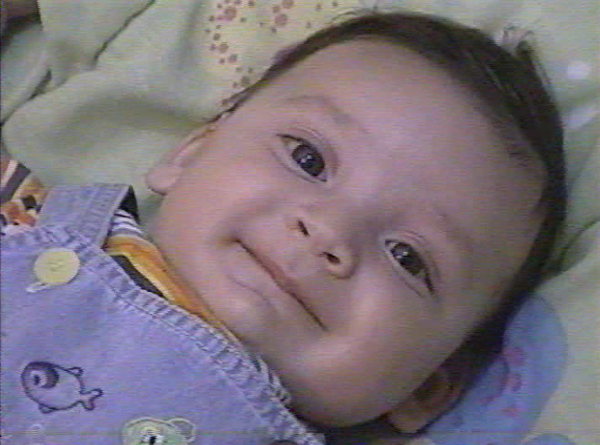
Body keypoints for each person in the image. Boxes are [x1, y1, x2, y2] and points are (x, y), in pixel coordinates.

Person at [1, 6, 565, 445]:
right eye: (308, 159)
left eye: (407, 256)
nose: (329, 232)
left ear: (428, 388)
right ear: (193, 152)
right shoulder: (26, 219)